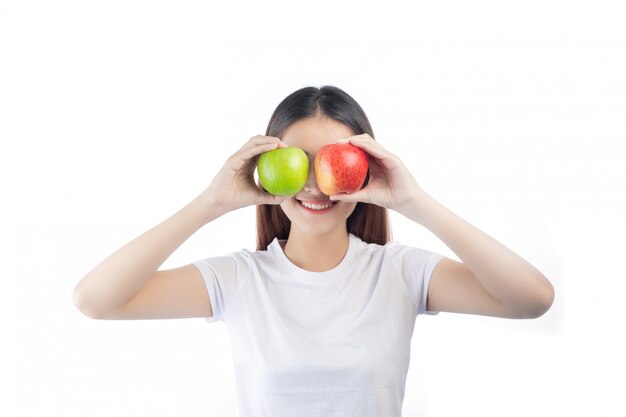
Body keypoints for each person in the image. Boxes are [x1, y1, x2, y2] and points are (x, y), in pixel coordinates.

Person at [73, 85, 555, 417]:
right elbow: (95, 300)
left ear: (365, 168)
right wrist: (210, 202)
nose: (313, 186)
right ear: (268, 167)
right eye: (295, 162)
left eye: (331, 163)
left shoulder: (399, 272)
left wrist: (414, 201)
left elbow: (532, 298)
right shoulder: (239, 280)